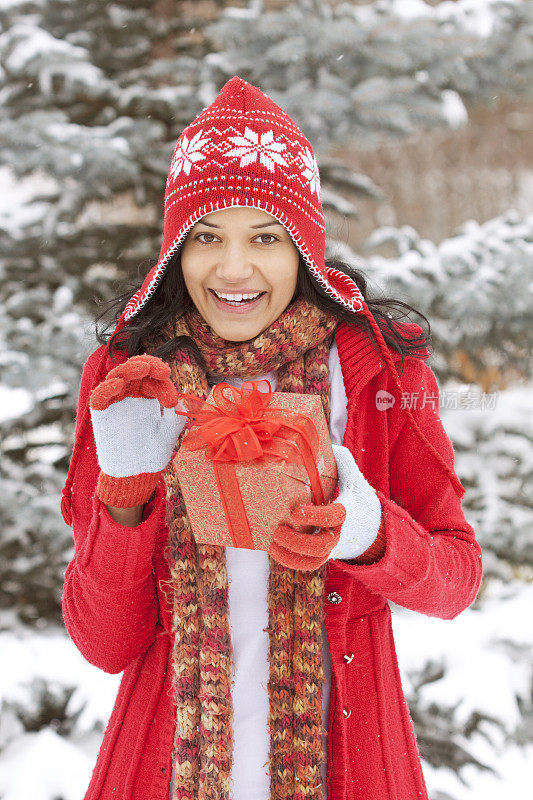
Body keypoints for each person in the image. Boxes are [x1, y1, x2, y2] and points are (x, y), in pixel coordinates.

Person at [60, 76, 483, 800]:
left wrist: (368, 530)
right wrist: (128, 492)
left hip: (350, 773)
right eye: (205, 237)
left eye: (265, 236)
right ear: (174, 252)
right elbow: (105, 643)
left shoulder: (373, 370)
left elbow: (454, 580)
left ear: (304, 251)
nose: (232, 269)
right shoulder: (132, 377)